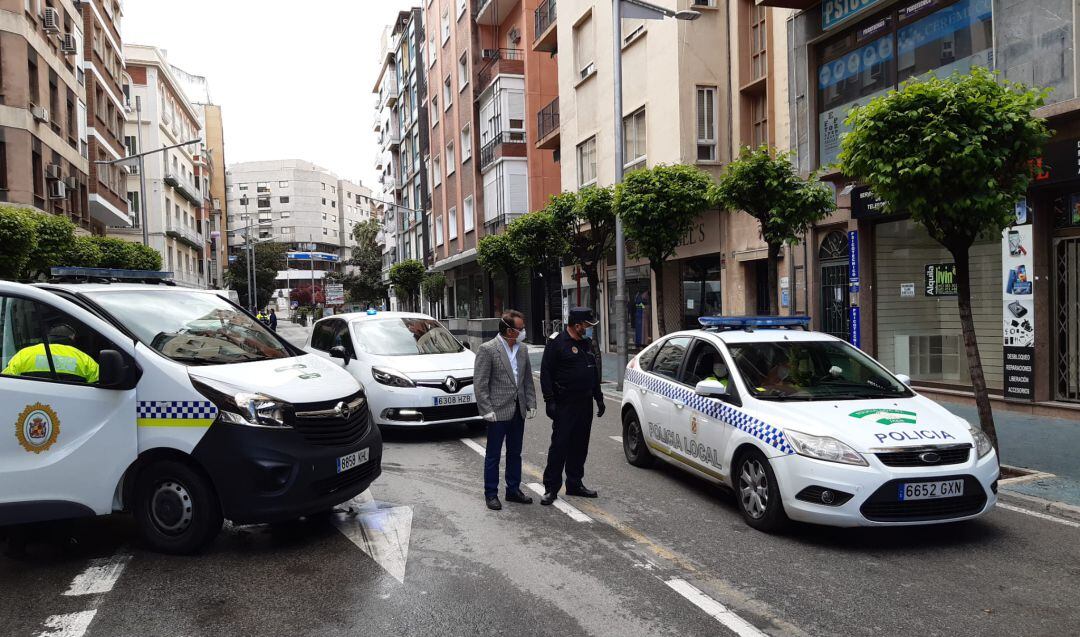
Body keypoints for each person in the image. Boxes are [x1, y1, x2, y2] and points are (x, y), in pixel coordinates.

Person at [472, 309, 537, 511]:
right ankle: (491, 494)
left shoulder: (523, 349)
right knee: (493, 454)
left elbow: (527, 379)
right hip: (497, 411)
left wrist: (531, 403)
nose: (523, 331)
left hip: (518, 409)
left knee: (515, 453)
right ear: (509, 330)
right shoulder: (488, 349)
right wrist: (486, 409)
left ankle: (513, 490)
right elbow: (480, 383)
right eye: (520, 328)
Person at [539, 307, 603, 505]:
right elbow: (546, 372)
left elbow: (593, 372)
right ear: (577, 325)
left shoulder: (586, 344)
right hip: (564, 403)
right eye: (588, 325)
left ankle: (574, 483)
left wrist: (598, 397)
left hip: (584, 403)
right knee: (560, 445)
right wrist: (549, 400)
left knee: (579, 445)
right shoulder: (557, 343)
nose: (590, 329)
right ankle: (551, 488)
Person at [1, 323, 99, 384]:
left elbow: (5, 381)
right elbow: (99, 384)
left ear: (49, 337)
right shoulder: (84, 359)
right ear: (72, 338)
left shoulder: (24, 355)